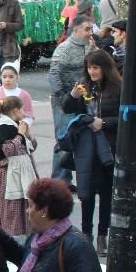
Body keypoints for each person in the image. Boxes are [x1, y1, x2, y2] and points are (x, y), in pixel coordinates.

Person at [0, 178, 104, 272]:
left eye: (30, 206)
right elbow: (29, 262)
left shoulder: (77, 247)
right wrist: (2, 237)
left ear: (44, 211)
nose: (27, 211)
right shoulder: (38, 237)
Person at [61, 48, 121, 254]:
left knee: (106, 193)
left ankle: (103, 235)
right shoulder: (84, 85)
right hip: (85, 145)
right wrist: (72, 96)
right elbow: (67, 108)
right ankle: (86, 233)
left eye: (96, 67)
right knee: (86, 192)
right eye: (89, 67)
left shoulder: (117, 87)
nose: (92, 71)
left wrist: (103, 123)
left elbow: (124, 118)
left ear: (105, 67)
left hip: (109, 145)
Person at [48, 14, 93, 186]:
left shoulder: (89, 46)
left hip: (84, 100)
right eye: (87, 29)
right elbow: (53, 75)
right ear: (76, 30)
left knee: (82, 140)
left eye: (91, 29)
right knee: (63, 140)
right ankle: (59, 181)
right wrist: (64, 98)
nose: (90, 33)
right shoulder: (64, 49)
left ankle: (75, 180)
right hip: (64, 100)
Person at [0, 96, 38, 238]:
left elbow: (31, 148)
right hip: (11, 174)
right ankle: (12, 238)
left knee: (25, 204)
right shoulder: (3, 127)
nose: (24, 112)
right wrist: (20, 134)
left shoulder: (16, 124)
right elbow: (7, 150)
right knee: (13, 207)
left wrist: (28, 135)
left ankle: (26, 235)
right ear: (15, 110)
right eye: (22, 109)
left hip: (23, 172)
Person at [0, 64, 34, 145]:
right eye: (4, 77)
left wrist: (24, 124)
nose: (7, 80)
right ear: (0, 77)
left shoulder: (24, 95)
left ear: (17, 77)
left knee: (18, 149)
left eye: (11, 77)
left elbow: (29, 114)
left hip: (19, 131)